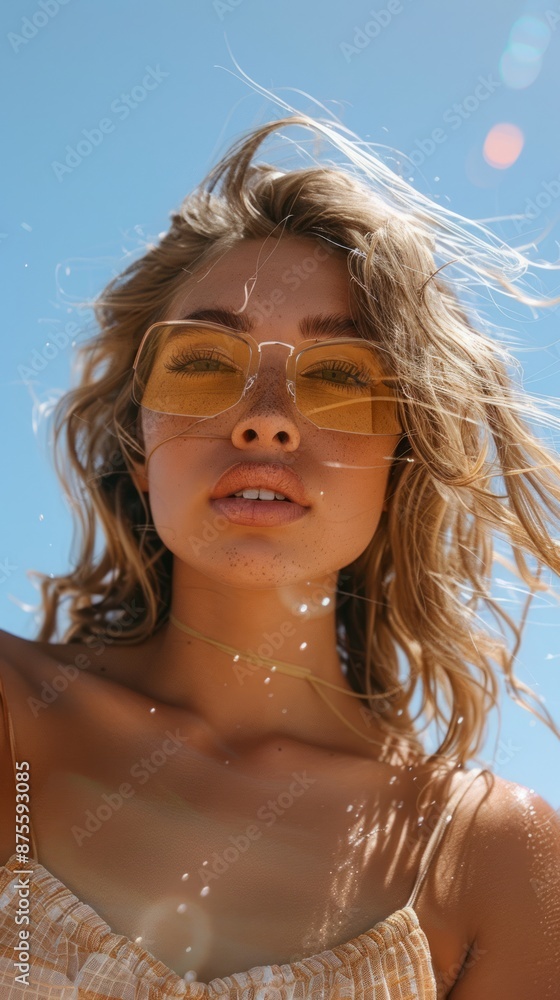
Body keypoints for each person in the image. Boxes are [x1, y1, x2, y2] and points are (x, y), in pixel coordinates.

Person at [1, 100, 559, 999]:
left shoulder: (488, 858)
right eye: (206, 363)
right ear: (142, 455)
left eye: (338, 377)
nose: (263, 416)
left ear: (401, 459)